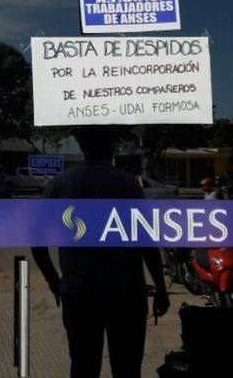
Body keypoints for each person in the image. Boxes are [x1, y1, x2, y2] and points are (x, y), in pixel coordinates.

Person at [31, 126, 170, 378]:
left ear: (83, 147)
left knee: (83, 366)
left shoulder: (59, 184)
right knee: (127, 368)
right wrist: (160, 285)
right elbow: (146, 241)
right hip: (125, 293)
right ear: (109, 147)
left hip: (80, 294)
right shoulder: (126, 183)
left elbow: (36, 239)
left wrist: (54, 280)